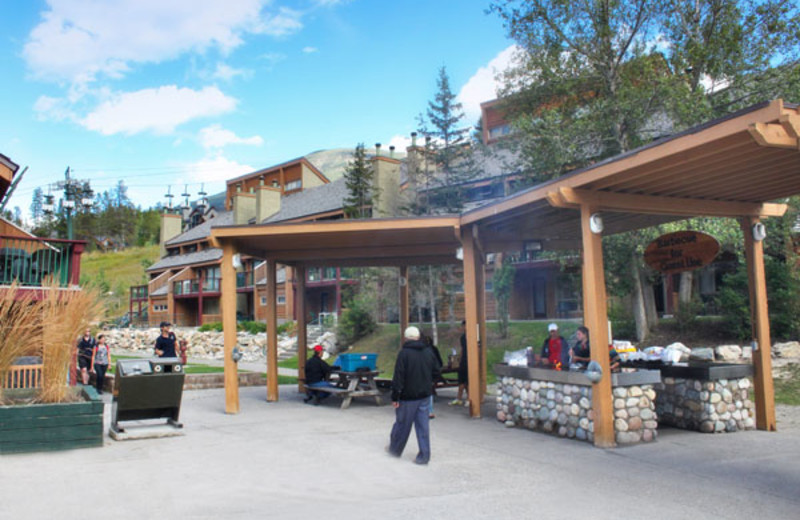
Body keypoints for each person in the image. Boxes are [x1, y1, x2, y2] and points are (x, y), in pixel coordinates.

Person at [388, 326, 440, 465]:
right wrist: (427, 383)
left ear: (406, 337)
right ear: (418, 337)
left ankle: (394, 452)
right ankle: (424, 456)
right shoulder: (429, 352)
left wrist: (395, 396)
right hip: (425, 396)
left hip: (407, 397)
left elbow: (398, 377)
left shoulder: (404, 353)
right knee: (423, 427)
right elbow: (437, 372)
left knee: (402, 425)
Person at [423, 334, 444, 419]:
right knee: (429, 392)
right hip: (430, 373)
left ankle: (425, 411)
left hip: (423, 373)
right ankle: (430, 411)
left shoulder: (422, 351)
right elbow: (439, 362)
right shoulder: (433, 350)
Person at [449, 320, 469, 407]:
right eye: (462, 326)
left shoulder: (473, 335)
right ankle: (459, 398)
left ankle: (469, 398)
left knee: (468, 382)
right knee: (461, 380)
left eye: (464, 326)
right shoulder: (463, 337)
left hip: (470, 360)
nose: (463, 328)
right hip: (463, 361)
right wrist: (459, 359)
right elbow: (462, 349)